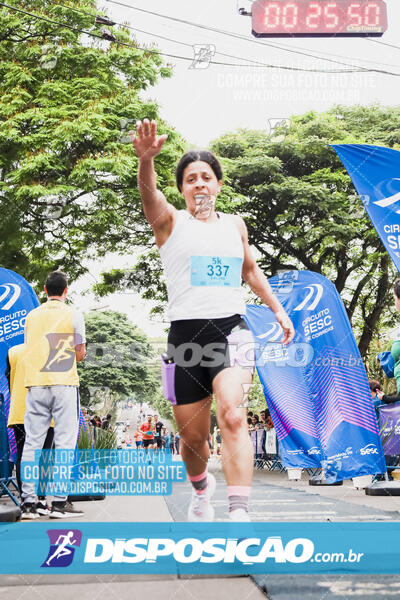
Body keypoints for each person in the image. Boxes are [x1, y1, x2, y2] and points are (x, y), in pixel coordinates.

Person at [132, 120, 294, 521]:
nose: (200, 184)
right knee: (193, 442)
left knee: (235, 414)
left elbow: (250, 270)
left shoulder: (234, 225)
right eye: (191, 179)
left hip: (230, 329)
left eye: (207, 177)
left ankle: (239, 512)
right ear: (182, 189)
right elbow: (148, 194)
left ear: (218, 185)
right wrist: (146, 161)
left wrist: (277, 308)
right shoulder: (170, 222)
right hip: (185, 336)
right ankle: (202, 488)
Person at [20, 270, 86, 519]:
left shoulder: (32, 316)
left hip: (35, 383)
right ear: (66, 290)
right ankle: (58, 503)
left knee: (32, 443)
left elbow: (30, 346)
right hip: (63, 382)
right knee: (65, 443)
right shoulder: (73, 314)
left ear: (45, 291)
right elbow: (79, 353)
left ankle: (28, 504)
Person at [6, 343, 54, 518]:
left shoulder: (13, 352)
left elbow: (9, 379)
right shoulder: (51, 350)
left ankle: (26, 501)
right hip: (46, 412)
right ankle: (41, 501)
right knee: (44, 457)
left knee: (22, 455)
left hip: (20, 410)